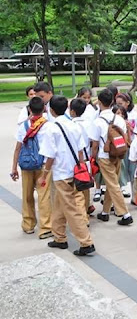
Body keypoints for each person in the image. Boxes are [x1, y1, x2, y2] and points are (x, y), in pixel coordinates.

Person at [41, 95, 96, 256]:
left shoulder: (51, 128)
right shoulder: (73, 126)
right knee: (59, 205)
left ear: (50, 110)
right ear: (66, 108)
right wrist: (81, 169)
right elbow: (80, 151)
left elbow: (50, 155)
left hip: (61, 173)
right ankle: (59, 237)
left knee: (71, 208)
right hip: (74, 171)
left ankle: (86, 242)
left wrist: (44, 174)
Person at [89, 89, 133, 225]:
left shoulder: (97, 121)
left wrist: (93, 158)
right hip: (118, 154)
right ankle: (105, 212)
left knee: (113, 184)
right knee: (112, 183)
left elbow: (94, 144)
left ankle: (125, 214)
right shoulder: (119, 119)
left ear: (100, 102)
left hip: (104, 155)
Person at [10, 96, 52, 239]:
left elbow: (18, 149)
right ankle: (45, 227)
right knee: (44, 196)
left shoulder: (24, 126)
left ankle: (28, 224)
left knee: (27, 195)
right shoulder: (47, 125)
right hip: (43, 165)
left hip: (26, 165)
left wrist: (14, 167)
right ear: (44, 109)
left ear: (29, 109)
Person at [69, 98, 96, 221]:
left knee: (76, 190)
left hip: (75, 161)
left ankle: (81, 217)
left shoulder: (71, 126)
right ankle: (86, 211)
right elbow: (92, 140)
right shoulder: (88, 123)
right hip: (87, 160)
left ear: (72, 111)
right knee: (85, 188)